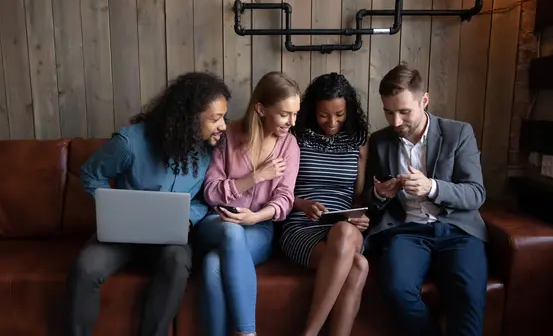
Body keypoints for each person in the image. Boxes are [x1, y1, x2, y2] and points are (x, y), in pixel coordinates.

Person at [64, 72, 231, 336]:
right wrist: (112, 208)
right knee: (85, 267)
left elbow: (205, 197)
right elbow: (91, 174)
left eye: (223, 116)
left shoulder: (210, 149)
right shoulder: (130, 143)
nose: (223, 125)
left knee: (177, 261)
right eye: (215, 118)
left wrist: (189, 217)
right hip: (122, 235)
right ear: (188, 118)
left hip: (170, 239)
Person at [363, 62, 488, 336]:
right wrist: (379, 194)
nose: (395, 122)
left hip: (458, 231)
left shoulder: (458, 133)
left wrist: (432, 187)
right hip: (406, 231)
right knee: (396, 289)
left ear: (425, 100)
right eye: (388, 112)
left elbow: (476, 193)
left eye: (404, 111)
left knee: (468, 294)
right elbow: (369, 201)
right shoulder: (381, 141)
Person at [197, 71, 302, 336]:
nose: (292, 121)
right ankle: (247, 333)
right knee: (231, 231)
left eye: (295, 114)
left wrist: (255, 218)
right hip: (217, 222)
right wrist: (255, 177)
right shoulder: (228, 136)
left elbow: (285, 199)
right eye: (284, 114)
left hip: (259, 229)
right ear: (261, 109)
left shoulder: (289, 146)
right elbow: (210, 192)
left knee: (212, 265)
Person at [278, 73, 370, 336]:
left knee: (343, 231)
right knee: (359, 265)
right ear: (312, 111)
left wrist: (361, 217)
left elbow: (358, 196)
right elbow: (278, 192)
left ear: (349, 110)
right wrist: (303, 204)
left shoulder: (359, 140)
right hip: (302, 226)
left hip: (344, 227)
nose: (332, 122)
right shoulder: (296, 137)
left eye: (339, 115)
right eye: (323, 115)